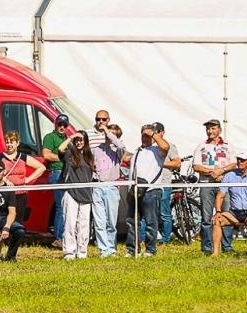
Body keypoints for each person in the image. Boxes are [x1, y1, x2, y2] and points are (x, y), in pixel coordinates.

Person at [126, 123, 177, 256]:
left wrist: (153, 134)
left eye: (148, 135)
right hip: (135, 190)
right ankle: (132, 249)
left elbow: (166, 147)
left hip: (151, 190)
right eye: (143, 134)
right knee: (132, 221)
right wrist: (129, 190)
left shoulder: (157, 150)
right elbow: (132, 171)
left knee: (151, 221)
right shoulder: (137, 150)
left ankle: (150, 249)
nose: (145, 137)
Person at [210, 152, 247, 256]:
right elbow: (220, 195)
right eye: (238, 159)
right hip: (234, 212)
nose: (240, 162)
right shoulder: (229, 176)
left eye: (243, 160)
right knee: (216, 220)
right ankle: (215, 253)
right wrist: (218, 211)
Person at [192, 119, 234, 255]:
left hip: (224, 184)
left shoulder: (228, 145)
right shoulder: (201, 146)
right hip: (206, 184)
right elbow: (196, 166)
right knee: (206, 216)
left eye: (213, 128)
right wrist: (212, 172)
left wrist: (221, 171)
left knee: (226, 215)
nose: (210, 131)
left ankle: (226, 246)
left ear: (219, 130)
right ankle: (207, 247)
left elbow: (234, 164)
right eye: (208, 129)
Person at [88, 109, 126, 256]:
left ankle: (111, 248)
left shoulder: (117, 150)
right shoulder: (96, 149)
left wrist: (107, 131)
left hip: (111, 186)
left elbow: (122, 147)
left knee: (111, 221)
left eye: (104, 119)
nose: (101, 122)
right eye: (98, 119)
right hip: (98, 185)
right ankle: (104, 250)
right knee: (99, 221)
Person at [58, 130, 94, 259]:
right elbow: (60, 148)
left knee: (84, 224)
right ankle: (69, 252)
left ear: (86, 141)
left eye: (81, 140)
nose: (79, 142)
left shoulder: (90, 156)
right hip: (71, 193)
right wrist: (71, 136)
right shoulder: (69, 153)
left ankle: (82, 251)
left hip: (86, 194)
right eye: (77, 140)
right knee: (70, 223)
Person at [41, 114, 72, 242]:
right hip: (57, 173)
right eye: (60, 124)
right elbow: (46, 155)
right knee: (60, 206)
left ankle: (64, 236)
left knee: (66, 206)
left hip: (66, 173)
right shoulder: (50, 137)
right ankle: (59, 238)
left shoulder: (67, 139)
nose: (62, 127)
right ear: (55, 124)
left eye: (64, 125)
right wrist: (63, 158)